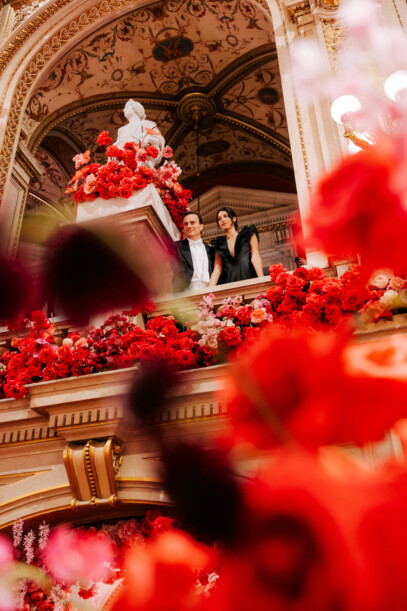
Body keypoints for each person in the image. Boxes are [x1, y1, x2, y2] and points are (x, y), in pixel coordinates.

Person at [209, 207, 263, 286]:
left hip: (250, 280)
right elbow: (217, 269)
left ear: (234, 219)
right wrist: (209, 291)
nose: (222, 220)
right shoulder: (219, 244)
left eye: (225, 216)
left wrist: (262, 280)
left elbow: (255, 257)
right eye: (219, 219)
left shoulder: (248, 234)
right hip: (231, 285)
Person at [172, 212, 215, 292]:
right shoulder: (176, 247)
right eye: (186, 224)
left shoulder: (211, 251)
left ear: (201, 226)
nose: (189, 226)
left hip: (209, 293)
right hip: (185, 293)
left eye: (192, 223)